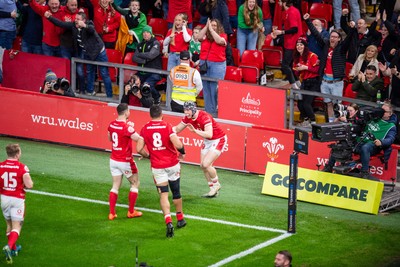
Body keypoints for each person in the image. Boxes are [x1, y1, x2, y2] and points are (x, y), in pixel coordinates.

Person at [136, 105, 187, 238]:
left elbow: (139, 148)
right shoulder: (167, 126)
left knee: (163, 194)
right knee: (176, 192)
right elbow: (177, 144)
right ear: (161, 114)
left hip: (157, 166)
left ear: (150, 115)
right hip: (172, 164)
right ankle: (180, 219)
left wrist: (148, 156)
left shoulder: (145, 128)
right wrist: (182, 152)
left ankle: (168, 221)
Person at [46, 11, 114, 97]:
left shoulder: (89, 24)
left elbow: (92, 30)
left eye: (78, 19)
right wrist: (50, 17)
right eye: (75, 19)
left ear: (84, 20)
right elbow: (61, 24)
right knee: (90, 72)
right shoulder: (74, 25)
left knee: (104, 73)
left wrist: (84, 26)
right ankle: (90, 92)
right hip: (88, 53)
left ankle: (110, 96)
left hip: (99, 52)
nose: (76, 21)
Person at [323, 102, 397, 179]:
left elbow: (390, 139)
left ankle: (364, 172)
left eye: (384, 111)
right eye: (380, 110)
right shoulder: (373, 117)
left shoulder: (391, 126)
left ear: (390, 114)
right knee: (340, 143)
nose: (381, 112)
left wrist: (381, 142)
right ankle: (329, 167)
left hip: (373, 145)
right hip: (360, 141)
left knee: (366, 147)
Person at [304, 12, 352, 123]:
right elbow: (316, 34)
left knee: (337, 105)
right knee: (328, 104)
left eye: (335, 37)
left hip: (337, 83)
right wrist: (308, 21)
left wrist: (352, 29)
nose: (333, 39)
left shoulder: (342, 49)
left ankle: (338, 124)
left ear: (339, 39)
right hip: (325, 82)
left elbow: (349, 39)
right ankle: (330, 123)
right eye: (331, 36)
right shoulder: (326, 45)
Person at [173, 101, 227, 198]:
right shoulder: (187, 118)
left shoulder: (204, 117)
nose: (185, 112)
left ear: (193, 109)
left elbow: (209, 134)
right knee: (202, 166)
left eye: (188, 110)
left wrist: (194, 131)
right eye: (184, 110)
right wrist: (166, 130)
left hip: (218, 139)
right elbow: (177, 129)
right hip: (208, 141)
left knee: (206, 164)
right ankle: (212, 189)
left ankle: (216, 184)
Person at [107, 103, 143, 220]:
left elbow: (109, 138)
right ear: (126, 112)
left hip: (113, 159)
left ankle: (112, 213)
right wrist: (143, 151)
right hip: (125, 160)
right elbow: (138, 139)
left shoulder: (111, 124)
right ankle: (131, 211)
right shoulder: (127, 127)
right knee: (135, 183)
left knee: (115, 186)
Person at [0, 144, 34, 264]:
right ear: (17, 154)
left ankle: (14, 249)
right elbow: (29, 185)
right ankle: (9, 246)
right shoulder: (22, 168)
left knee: (9, 224)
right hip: (17, 200)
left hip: (4, 198)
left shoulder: (0, 166)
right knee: (17, 226)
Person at [197, 18, 227, 117]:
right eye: (211, 25)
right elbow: (198, 37)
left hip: (217, 65)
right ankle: (208, 112)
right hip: (204, 64)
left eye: (215, 25)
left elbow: (219, 41)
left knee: (214, 88)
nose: (212, 27)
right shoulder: (205, 37)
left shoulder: (223, 36)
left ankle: (214, 112)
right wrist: (206, 27)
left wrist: (211, 30)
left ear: (219, 27)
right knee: (206, 88)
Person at [272, 0, 302, 90]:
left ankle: (294, 86)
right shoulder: (290, 11)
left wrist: (281, 32)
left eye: (280, 2)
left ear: (284, 3)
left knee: (285, 65)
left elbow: (295, 29)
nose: (279, 4)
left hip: (292, 43)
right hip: (290, 42)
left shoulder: (291, 12)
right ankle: (298, 84)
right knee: (290, 65)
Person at [292, 37, 319, 127]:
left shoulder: (312, 56)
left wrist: (306, 67)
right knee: (300, 103)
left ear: (305, 46)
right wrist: (298, 69)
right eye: (297, 45)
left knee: (306, 104)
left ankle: (313, 122)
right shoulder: (297, 57)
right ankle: (306, 120)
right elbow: (295, 71)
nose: (299, 46)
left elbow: (317, 70)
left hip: (314, 82)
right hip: (304, 82)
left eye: (301, 45)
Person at [132, 25, 162, 104]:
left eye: (147, 32)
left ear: (151, 33)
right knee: (131, 82)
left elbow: (151, 55)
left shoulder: (155, 43)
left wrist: (140, 54)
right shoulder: (140, 44)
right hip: (142, 72)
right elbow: (134, 58)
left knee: (146, 85)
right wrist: (145, 61)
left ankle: (157, 97)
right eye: (144, 32)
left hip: (154, 72)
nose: (145, 34)